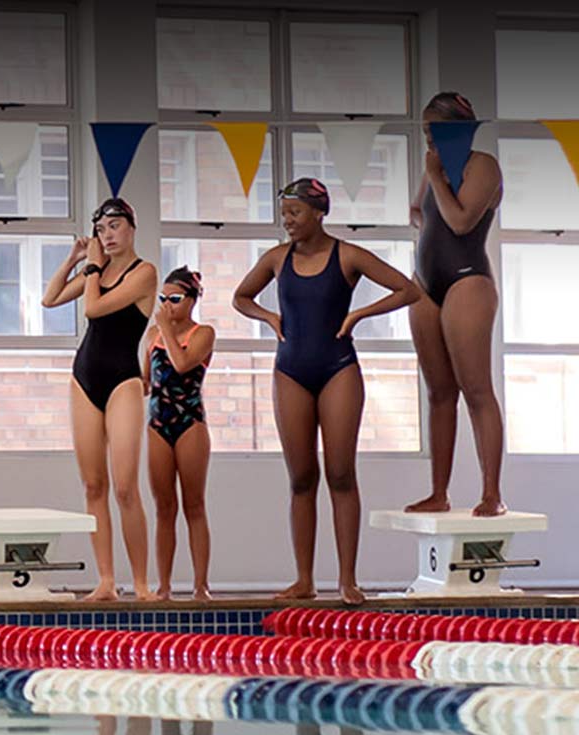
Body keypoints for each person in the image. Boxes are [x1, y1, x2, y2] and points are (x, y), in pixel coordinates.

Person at [234, 178, 420, 605]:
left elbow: (408, 289)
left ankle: (347, 579)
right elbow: (240, 297)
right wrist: (268, 317)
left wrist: (358, 315)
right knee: (301, 478)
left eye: (295, 213)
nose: (287, 221)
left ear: (319, 213)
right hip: (290, 371)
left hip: (338, 369)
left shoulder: (348, 255)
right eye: (284, 213)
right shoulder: (276, 259)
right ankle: (304, 580)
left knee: (340, 473)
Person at [43, 198, 158, 602]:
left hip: (123, 381)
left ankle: (141, 583)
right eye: (100, 229)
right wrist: (74, 259)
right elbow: (50, 299)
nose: (107, 235)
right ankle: (106, 580)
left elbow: (93, 309)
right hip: (84, 378)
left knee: (125, 487)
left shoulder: (144, 273)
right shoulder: (97, 269)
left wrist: (92, 267)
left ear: (131, 228)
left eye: (114, 226)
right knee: (94, 485)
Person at [406, 91, 506, 517]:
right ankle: (438, 493)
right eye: (425, 129)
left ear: (461, 128)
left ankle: (492, 494)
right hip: (426, 283)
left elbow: (461, 221)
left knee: (476, 389)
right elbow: (417, 211)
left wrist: (437, 177)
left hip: (468, 279)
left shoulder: (482, 165)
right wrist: (424, 218)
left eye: (435, 128)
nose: (428, 136)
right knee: (439, 393)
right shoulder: (434, 168)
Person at [142, 268, 215, 601]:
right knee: (164, 508)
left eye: (174, 299)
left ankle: (201, 585)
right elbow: (146, 382)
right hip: (158, 424)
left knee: (194, 504)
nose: (167, 305)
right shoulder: (152, 336)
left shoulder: (203, 333)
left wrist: (166, 331)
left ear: (192, 301)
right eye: (163, 299)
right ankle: (164, 586)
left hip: (190, 423)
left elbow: (183, 363)